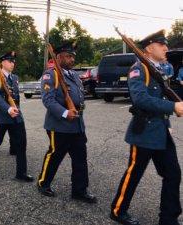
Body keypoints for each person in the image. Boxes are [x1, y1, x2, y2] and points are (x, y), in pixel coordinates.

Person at [110, 30, 183, 225]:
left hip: (160, 131)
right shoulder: (139, 69)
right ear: (149, 48)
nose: (166, 48)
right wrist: (173, 106)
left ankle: (168, 218)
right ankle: (117, 210)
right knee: (134, 174)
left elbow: (159, 97)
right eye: (162, 45)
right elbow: (140, 99)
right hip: (143, 132)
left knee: (173, 173)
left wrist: (166, 122)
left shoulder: (160, 70)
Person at [36, 41, 97, 203]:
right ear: (59, 57)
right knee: (55, 156)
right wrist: (64, 112)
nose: (72, 60)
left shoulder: (74, 75)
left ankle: (79, 190)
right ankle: (43, 183)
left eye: (73, 57)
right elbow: (48, 100)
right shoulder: (51, 75)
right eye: (68, 56)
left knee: (80, 159)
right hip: (59, 125)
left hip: (77, 124)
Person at [0, 51, 33, 182]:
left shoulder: (14, 78)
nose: (12, 64)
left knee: (21, 144)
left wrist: (14, 109)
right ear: (2, 62)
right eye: (10, 61)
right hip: (2, 116)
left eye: (13, 62)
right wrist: (8, 108)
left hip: (17, 116)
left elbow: (15, 97)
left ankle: (21, 173)